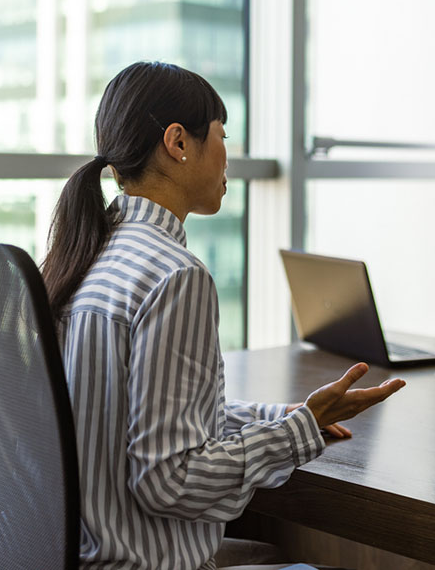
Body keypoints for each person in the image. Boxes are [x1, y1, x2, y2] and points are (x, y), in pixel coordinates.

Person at [41, 61, 405, 570]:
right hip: (143, 559)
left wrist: (294, 418)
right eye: (221, 134)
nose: (226, 154)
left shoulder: (87, 253)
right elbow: (169, 479)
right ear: (178, 142)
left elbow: (154, 419)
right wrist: (295, 434)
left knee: (272, 552)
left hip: (82, 553)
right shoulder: (174, 275)